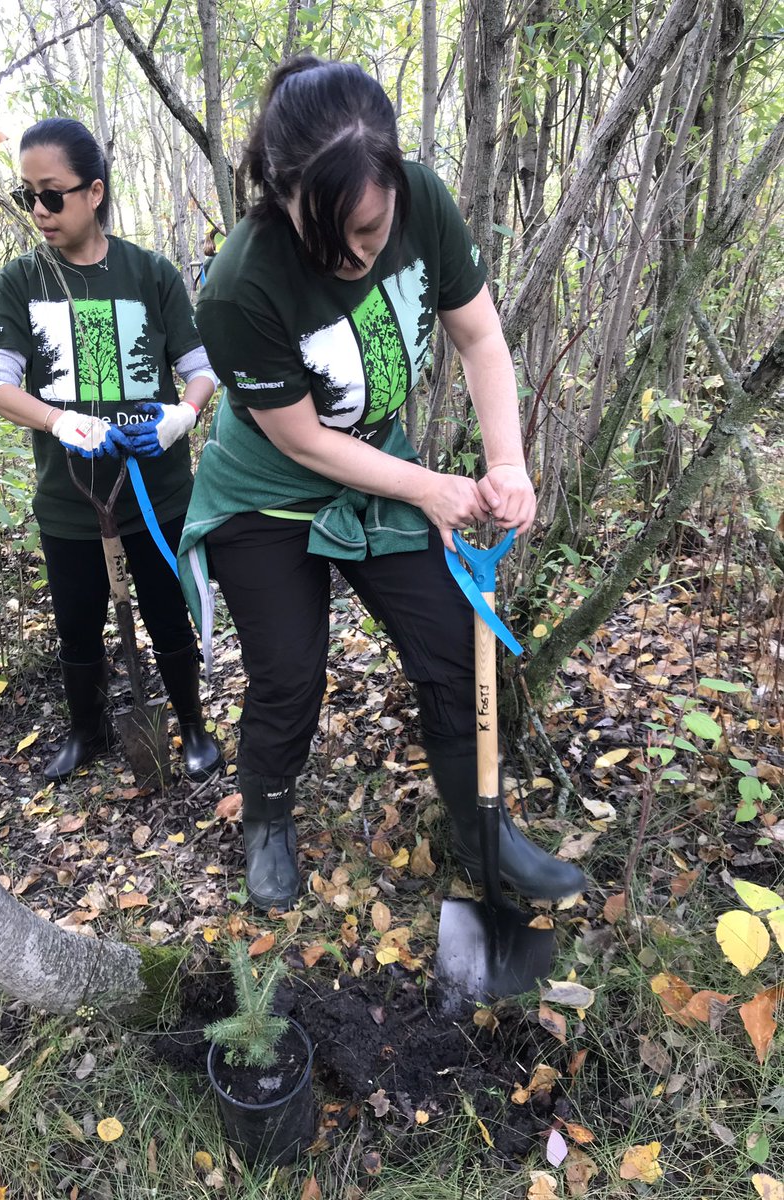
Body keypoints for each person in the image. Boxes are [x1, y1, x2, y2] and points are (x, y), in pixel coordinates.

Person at [179, 58, 586, 910]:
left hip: (379, 467)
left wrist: (506, 463)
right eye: (332, 239)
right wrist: (430, 487)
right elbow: (302, 440)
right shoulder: (240, 285)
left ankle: (484, 834)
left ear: (397, 183)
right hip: (266, 490)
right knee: (290, 671)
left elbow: (479, 339)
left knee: (448, 644)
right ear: (283, 192)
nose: (358, 256)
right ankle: (268, 816)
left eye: (370, 231)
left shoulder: (424, 203)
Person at [0, 117, 222, 783]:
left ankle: (192, 725)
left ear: (94, 192)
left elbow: (202, 368)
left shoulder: (150, 273)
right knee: (77, 627)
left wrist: (182, 414)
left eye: (52, 195)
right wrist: (62, 423)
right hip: (70, 499)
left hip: (155, 491)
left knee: (169, 616)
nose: (38, 211)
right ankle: (88, 731)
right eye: (28, 194)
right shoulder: (24, 280)